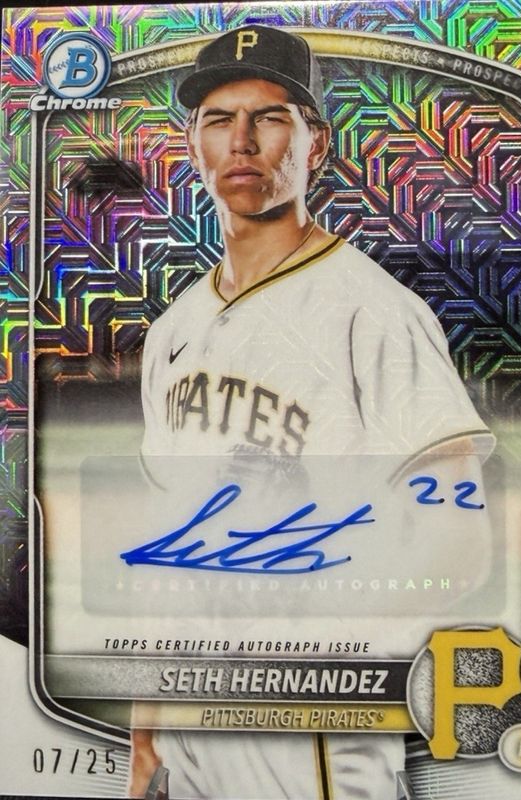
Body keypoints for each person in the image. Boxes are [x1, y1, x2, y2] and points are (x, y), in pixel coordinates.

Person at [130, 24, 494, 799]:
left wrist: (330, 643)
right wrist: (145, 733)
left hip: (314, 742)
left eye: (269, 118)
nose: (241, 142)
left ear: (316, 143)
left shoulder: (373, 312)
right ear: (192, 144)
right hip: (194, 732)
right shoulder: (172, 331)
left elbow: (458, 543)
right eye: (218, 120)